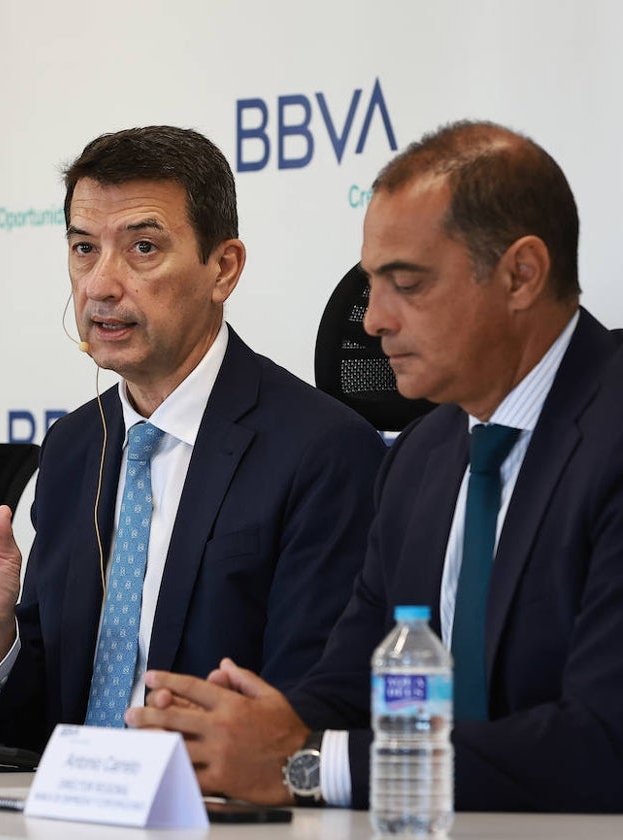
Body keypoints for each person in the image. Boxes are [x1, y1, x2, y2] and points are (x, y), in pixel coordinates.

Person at [128, 120, 623, 813]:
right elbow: (349, 687)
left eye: (407, 284)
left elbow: (603, 743)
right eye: (371, 284)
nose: (372, 321)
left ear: (521, 274)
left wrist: (303, 764)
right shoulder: (420, 456)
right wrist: (232, 736)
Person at [0, 126, 387, 752]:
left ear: (223, 268)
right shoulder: (71, 447)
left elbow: (306, 714)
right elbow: (40, 726)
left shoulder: (322, 452)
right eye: (84, 249)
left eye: (142, 248)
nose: (100, 285)